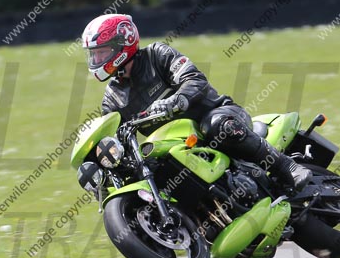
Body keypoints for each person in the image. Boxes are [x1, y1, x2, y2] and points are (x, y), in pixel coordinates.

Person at [81, 13, 310, 191]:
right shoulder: (112, 99)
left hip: (218, 116)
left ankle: (286, 167)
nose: (96, 59)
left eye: (102, 52)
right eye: (94, 54)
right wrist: (96, 167)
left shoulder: (156, 55)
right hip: (177, 145)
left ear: (124, 42)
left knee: (217, 125)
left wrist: (176, 100)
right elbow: (114, 141)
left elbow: (195, 79)